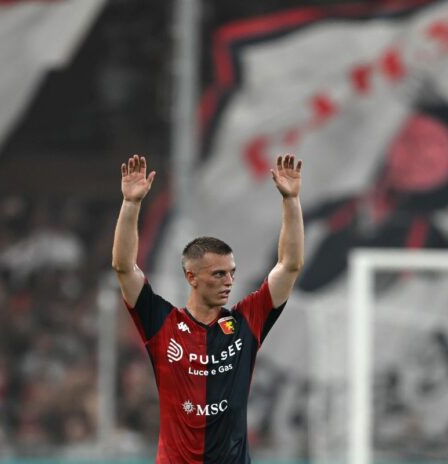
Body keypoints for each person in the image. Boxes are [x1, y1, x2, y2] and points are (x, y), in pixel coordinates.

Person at [112, 153, 304, 463]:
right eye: (218, 274)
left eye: (231, 273)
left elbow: (289, 265)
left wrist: (291, 201)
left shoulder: (245, 323)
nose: (229, 281)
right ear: (191, 277)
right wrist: (131, 204)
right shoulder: (162, 323)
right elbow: (124, 268)